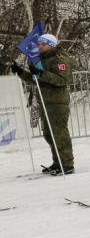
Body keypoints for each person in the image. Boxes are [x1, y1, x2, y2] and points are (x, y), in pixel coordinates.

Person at [11, 33, 74, 175]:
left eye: (42, 44)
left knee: (59, 134)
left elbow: (62, 80)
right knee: (49, 134)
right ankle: (57, 162)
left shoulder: (60, 59)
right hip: (45, 102)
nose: (39, 46)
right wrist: (21, 72)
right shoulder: (43, 59)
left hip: (57, 102)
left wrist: (40, 74)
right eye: (39, 44)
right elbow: (37, 80)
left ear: (51, 45)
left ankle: (67, 164)